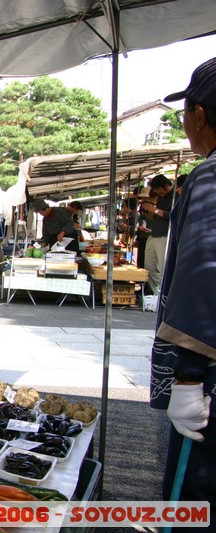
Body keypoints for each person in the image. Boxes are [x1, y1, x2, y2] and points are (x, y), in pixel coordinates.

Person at [149, 56, 216, 507]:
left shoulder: (209, 177)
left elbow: (205, 272)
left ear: (201, 114)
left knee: (196, 494)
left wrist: (189, 382)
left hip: (209, 378)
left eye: (185, 113)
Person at [143, 174, 174, 295]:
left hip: (164, 235)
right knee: (149, 266)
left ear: (166, 186)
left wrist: (154, 210)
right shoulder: (161, 197)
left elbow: (172, 216)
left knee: (162, 267)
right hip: (154, 234)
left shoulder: (175, 197)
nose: (158, 193)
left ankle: (163, 293)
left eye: (158, 190)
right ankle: (158, 290)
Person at [134, 187, 155, 269]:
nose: (143, 200)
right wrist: (138, 238)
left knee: (148, 263)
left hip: (150, 238)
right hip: (143, 238)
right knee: (141, 262)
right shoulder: (142, 208)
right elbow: (141, 222)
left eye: (146, 198)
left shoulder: (154, 208)